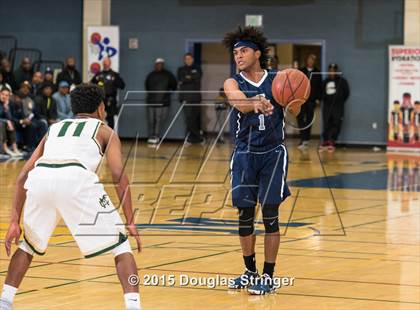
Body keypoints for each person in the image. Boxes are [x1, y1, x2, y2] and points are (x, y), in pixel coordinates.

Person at [0, 84, 142, 310]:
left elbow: (22, 176)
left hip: (41, 179)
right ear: (101, 108)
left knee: (27, 245)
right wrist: (130, 221)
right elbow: (118, 175)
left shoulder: (54, 128)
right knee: (121, 247)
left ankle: (4, 302)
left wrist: (14, 222)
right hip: (76, 179)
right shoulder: (105, 131)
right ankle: (134, 305)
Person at [222, 26, 299, 295]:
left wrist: (296, 98)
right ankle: (249, 271)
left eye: (243, 51)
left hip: (273, 154)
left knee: (270, 217)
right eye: (235, 52)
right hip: (244, 154)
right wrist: (256, 103)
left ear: (257, 53)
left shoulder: (279, 79)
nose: (238, 56)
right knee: (245, 216)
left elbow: (295, 111)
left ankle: (268, 276)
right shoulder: (233, 82)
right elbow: (237, 101)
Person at [145, 58, 177, 145]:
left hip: (163, 102)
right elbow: (147, 86)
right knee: (151, 120)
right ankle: (151, 136)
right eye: (157, 64)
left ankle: (156, 136)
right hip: (151, 101)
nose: (159, 65)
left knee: (159, 119)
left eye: (161, 64)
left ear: (163, 65)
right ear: (155, 65)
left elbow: (174, 86)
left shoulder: (168, 75)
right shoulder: (151, 75)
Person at [320, 63, 350, 152]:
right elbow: (321, 93)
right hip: (327, 107)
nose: (332, 72)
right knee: (327, 123)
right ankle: (325, 141)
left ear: (336, 71)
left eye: (333, 70)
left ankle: (332, 141)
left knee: (336, 123)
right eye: (330, 70)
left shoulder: (342, 81)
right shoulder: (325, 81)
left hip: (338, 107)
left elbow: (346, 93)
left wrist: (339, 100)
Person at [91, 57, 125, 129]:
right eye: (104, 63)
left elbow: (122, 86)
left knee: (110, 118)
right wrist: (97, 83)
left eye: (107, 63)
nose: (106, 64)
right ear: (102, 64)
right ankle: (99, 135)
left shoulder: (115, 75)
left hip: (111, 100)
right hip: (100, 100)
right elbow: (91, 85)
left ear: (110, 64)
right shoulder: (98, 75)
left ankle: (110, 136)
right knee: (99, 118)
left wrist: (115, 81)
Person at [297, 54, 322, 150]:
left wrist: (318, 99)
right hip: (301, 100)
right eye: (309, 59)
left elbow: (320, 87)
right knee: (300, 119)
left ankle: (306, 139)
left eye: (313, 60)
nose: (311, 61)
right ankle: (302, 139)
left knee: (309, 120)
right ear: (306, 60)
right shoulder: (301, 71)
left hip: (312, 100)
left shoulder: (317, 72)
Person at [177, 53, 203, 144]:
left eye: (189, 58)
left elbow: (197, 77)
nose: (188, 60)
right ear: (184, 60)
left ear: (192, 59)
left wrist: (187, 78)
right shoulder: (181, 69)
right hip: (185, 97)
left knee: (195, 117)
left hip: (196, 97)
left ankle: (194, 138)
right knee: (188, 118)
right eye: (186, 59)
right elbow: (181, 79)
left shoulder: (197, 68)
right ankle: (196, 138)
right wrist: (191, 78)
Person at [0, 87, 23, 157]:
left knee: (11, 123)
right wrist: (7, 121)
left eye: (7, 95)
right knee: (1, 124)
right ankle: (5, 149)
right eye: (3, 94)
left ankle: (15, 148)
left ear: (9, 96)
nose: (4, 96)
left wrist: (6, 108)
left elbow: (10, 118)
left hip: (4, 123)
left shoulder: (8, 104)